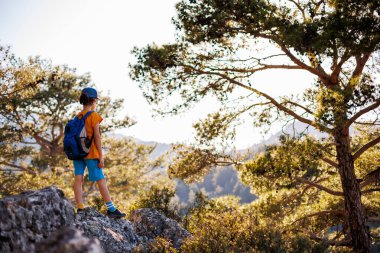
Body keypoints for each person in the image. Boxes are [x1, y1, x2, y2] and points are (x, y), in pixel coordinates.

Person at [73, 87, 125, 218]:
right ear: (93, 100)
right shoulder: (94, 116)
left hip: (78, 153)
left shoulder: (77, 116)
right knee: (101, 179)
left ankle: (80, 207)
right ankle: (111, 209)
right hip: (91, 154)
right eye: (96, 100)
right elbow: (97, 138)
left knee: (78, 179)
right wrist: (101, 157)